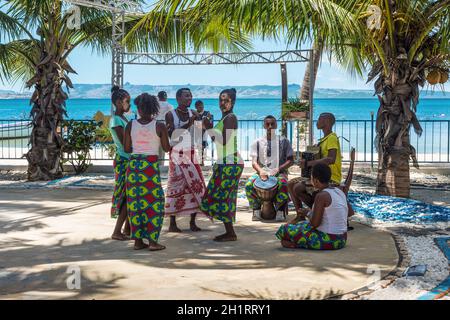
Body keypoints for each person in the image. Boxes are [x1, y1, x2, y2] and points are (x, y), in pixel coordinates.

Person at [123, 93, 171, 251]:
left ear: (138, 108)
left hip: (134, 167)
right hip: (149, 167)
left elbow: (127, 149)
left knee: (135, 204)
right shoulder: (159, 126)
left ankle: (138, 242)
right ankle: (152, 242)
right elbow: (166, 148)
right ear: (153, 108)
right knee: (154, 203)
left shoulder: (130, 125)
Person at [276, 163, 354, 250]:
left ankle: (296, 244)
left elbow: (315, 224)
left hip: (329, 240)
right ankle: (297, 242)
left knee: (284, 230)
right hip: (342, 239)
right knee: (301, 224)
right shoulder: (339, 191)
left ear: (316, 181)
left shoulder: (321, 196)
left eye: (311, 178)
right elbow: (350, 212)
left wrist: (307, 213)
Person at [200, 88, 244, 242]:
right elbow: (217, 141)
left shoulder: (231, 118)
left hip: (231, 162)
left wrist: (208, 127)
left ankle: (230, 233)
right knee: (217, 195)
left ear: (233, 102)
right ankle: (229, 231)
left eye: (226, 100)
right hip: (225, 162)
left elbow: (223, 141)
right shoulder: (225, 119)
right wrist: (211, 126)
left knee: (223, 197)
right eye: (220, 100)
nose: (222, 103)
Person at [165, 88, 206, 232]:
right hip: (177, 154)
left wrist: (200, 120)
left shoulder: (193, 113)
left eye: (191, 95)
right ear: (178, 99)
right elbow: (172, 137)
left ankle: (193, 222)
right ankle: (172, 223)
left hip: (191, 153)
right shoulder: (170, 115)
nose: (190, 98)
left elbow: (200, 133)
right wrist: (189, 123)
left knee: (196, 185)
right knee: (175, 187)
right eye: (186, 96)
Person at [288, 112, 342, 220]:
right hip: (319, 176)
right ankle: (301, 215)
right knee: (290, 184)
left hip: (329, 178)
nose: (316, 122)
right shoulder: (324, 139)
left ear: (326, 121)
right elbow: (320, 156)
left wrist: (308, 163)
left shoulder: (332, 138)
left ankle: (317, 210)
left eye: (319, 120)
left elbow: (331, 159)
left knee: (298, 188)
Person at [246, 115, 294, 222]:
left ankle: (280, 210)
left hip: (279, 172)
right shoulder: (257, 142)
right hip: (261, 172)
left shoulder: (284, 141)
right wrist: (261, 171)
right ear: (264, 125)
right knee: (249, 184)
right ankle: (256, 210)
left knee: (283, 184)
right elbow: (254, 162)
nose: (270, 126)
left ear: (276, 125)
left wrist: (278, 169)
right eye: (267, 124)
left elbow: (291, 160)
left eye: (272, 124)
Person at [109, 86, 131, 241]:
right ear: (118, 103)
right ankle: (117, 231)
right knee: (126, 196)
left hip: (127, 158)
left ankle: (127, 229)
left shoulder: (123, 118)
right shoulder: (116, 120)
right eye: (127, 102)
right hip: (123, 159)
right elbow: (125, 143)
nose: (129, 105)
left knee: (130, 195)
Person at [156, 91, 174, 163]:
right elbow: (172, 118)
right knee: (163, 145)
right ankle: (161, 163)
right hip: (165, 125)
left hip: (155, 124)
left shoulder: (155, 105)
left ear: (158, 97)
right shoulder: (169, 106)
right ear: (166, 97)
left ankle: (156, 163)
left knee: (155, 146)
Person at [194, 100, 213, 166]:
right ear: (196, 107)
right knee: (197, 146)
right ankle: (198, 161)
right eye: (199, 107)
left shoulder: (207, 113)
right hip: (196, 132)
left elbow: (210, 122)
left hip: (204, 132)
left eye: (202, 106)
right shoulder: (194, 113)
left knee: (203, 145)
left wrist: (208, 119)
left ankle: (202, 161)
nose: (201, 108)